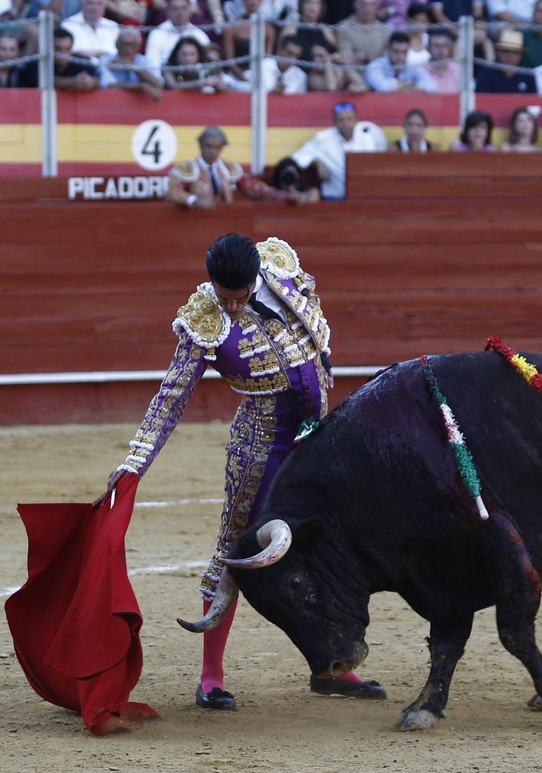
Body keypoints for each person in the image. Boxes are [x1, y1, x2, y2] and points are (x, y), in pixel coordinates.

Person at [100, 233, 361, 710]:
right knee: (236, 549)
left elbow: (314, 334)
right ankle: (210, 676)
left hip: (319, 437)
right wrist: (135, 461)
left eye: (241, 297)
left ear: (256, 276)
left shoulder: (280, 267)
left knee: (328, 546)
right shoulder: (205, 318)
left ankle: (338, 666)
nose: (234, 306)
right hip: (261, 443)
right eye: (226, 297)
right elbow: (172, 395)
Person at [292, 102, 375, 200]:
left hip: (361, 198)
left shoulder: (366, 139)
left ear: (356, 120)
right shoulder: (323, 138)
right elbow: (297, 157)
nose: (345, 123)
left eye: (349, 119)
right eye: (341, 120)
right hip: (332, 199)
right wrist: (316, 162)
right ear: (334, 122)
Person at [364, 31, 436, 92]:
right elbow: (382, 88)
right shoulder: (375, 66)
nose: (400, 56)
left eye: (404, 52)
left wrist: (414, 86)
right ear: (388, 49)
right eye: (396, 51)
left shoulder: (412, 66)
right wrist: (407, 85)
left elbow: (432, 86)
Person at [477, 29, 536, 94]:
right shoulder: (487, 73)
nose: (510, 56)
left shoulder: (527, 74)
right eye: (506, 51)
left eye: (515, 52)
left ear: (521, 55)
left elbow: (533, 100)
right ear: (498, 52)